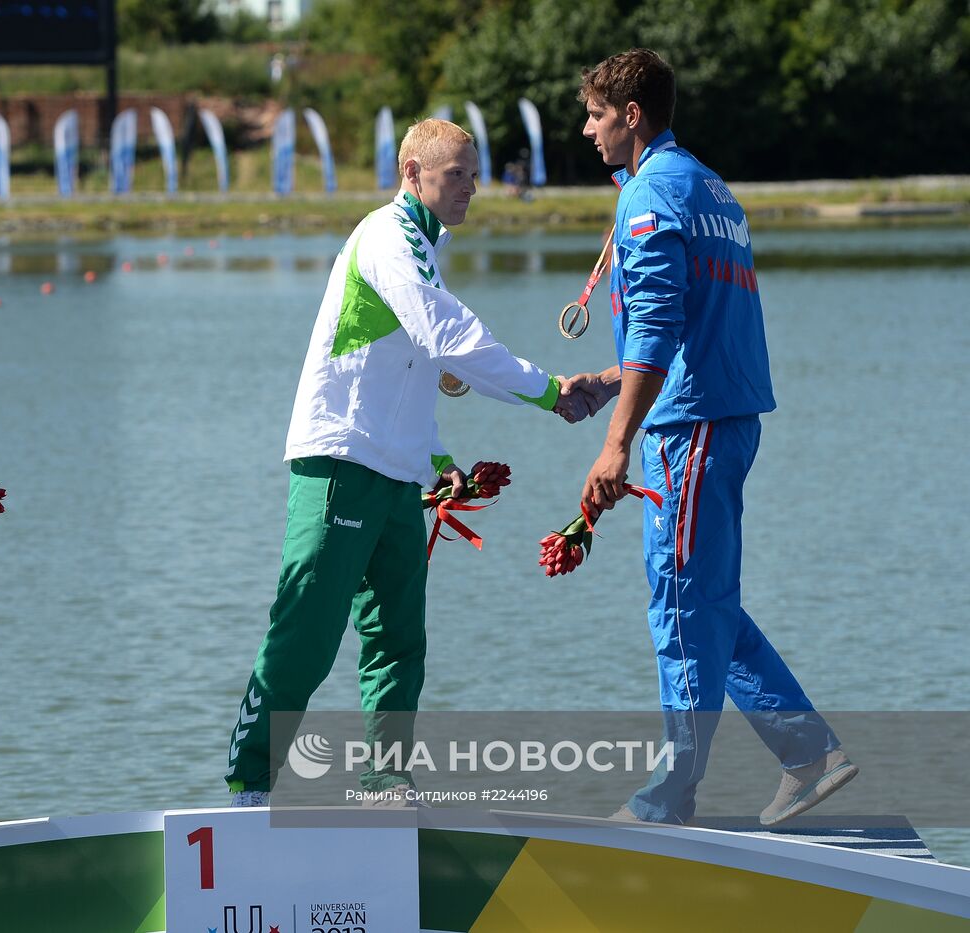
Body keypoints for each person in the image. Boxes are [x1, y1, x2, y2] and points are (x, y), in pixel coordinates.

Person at [224, 119, 591, 806]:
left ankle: (386, 780)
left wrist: (439, 459)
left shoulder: (422, 247)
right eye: (457, 175)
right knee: (305, 630)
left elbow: (409, 371)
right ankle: (249, 780)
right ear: (411, 174)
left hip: (395, 473)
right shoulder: (388, 237)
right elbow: (445, 332)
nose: (471, 189)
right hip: (338, 461)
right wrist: (548, 392)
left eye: (475, 176)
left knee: (398, 637)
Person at [565, 49, 856, 825]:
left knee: (682, 606)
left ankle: (669, 798)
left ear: (632, 115)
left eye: (596, 113)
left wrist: (616, 440)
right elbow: (690, 320)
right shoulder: (708, 185)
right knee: (707, 601)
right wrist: (608, 385)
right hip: (721, 415)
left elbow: (660, 324)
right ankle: (809, 753)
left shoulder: (653, 193)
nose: (586, 128)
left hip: (686, 428)